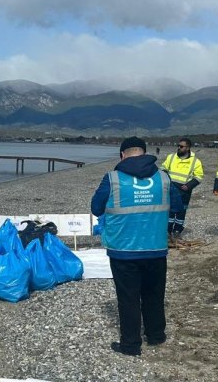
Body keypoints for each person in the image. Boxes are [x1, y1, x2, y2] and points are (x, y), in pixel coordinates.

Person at [90, 137, 169, 357]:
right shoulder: (163, 177)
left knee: (128, 298)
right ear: (144, 153)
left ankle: (131, 344)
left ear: (122, 155)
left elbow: (96, 208)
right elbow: (177, 206)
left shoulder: (113, 179)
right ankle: (156, 335)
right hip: (155, 247)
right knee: (154, 293)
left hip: (123, 250)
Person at [160, 138, 203, 240]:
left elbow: (199, 176)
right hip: (170, 188)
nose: (179, 148)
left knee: (181, 211)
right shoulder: (171, 157)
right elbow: (163, 168)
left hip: (184, 190)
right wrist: (166, 178)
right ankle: (168, 231)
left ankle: (177, 231)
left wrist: (189, 185)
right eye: (178, 146)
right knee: (169, 211)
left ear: (188, 148)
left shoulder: (195, 161)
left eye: (181, 146)